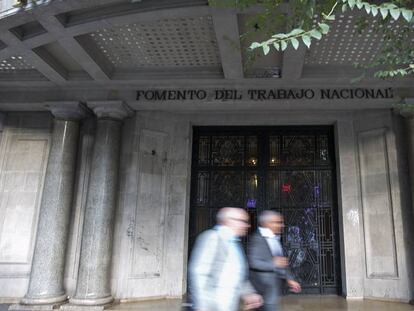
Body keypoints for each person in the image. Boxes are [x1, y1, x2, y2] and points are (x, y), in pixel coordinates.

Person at [188, 207, 263, 311]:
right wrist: (202, 305)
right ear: (229, 221)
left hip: (228, 305)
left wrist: (248, 293)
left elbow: (236, 275)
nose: (247, 225)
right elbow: (199, 273)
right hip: (211, 306)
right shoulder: (212, 237)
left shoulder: (235, 243)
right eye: (243, 221)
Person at [247, 210, 301, 311]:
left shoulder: (275, 238)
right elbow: (253, 262)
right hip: (263, 289)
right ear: (267, 223)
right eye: (278, 222)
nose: (282, 225)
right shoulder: (257, 238)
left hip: (273, 288)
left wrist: (289, 279)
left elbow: (281, 261)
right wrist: (273, 263)